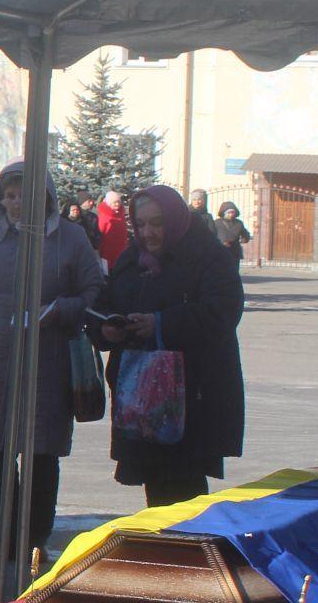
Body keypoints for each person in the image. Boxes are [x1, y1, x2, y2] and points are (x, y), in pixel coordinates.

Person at [0, 163, 105, 564]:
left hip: (48, 358)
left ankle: (35, 536)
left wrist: (62, 309)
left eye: (24, 195)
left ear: (44, 198)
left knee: (40, 452)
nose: (16, 204)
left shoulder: (70, 238)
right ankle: (4, 533)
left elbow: (94, 291)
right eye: (9, 196)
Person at [94, 185, 246, 508]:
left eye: (157, 223)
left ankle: (184, 542)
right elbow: (104, 303)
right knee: (155, 487)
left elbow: (222, 311)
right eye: (141, 224)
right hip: (140, 396)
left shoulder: (207, 256)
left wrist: (161, 323)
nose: (148, 232)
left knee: (183, 491)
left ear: (175, 219)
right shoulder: (132, 258)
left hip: (192, 396)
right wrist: (107, 327)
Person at [94, 189, 129, 268]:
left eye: (118, 202)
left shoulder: (120, 215)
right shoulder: (104, 216)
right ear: (109, 203)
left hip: (121, 249)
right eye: (114, 202)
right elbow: (101, 234)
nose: (117, 204)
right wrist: (100, 250)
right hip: (108, 251)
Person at [213, 201, 253, 266]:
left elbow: (245, 235)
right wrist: (220, 242)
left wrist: (244, 239)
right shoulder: (217, 223)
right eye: (229, 213)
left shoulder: (239, 223)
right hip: (220, 251)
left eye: (232, 212)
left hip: (234, 251)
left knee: (234, 269)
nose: (231, 214)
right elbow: (211, 236)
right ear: (224, 213)